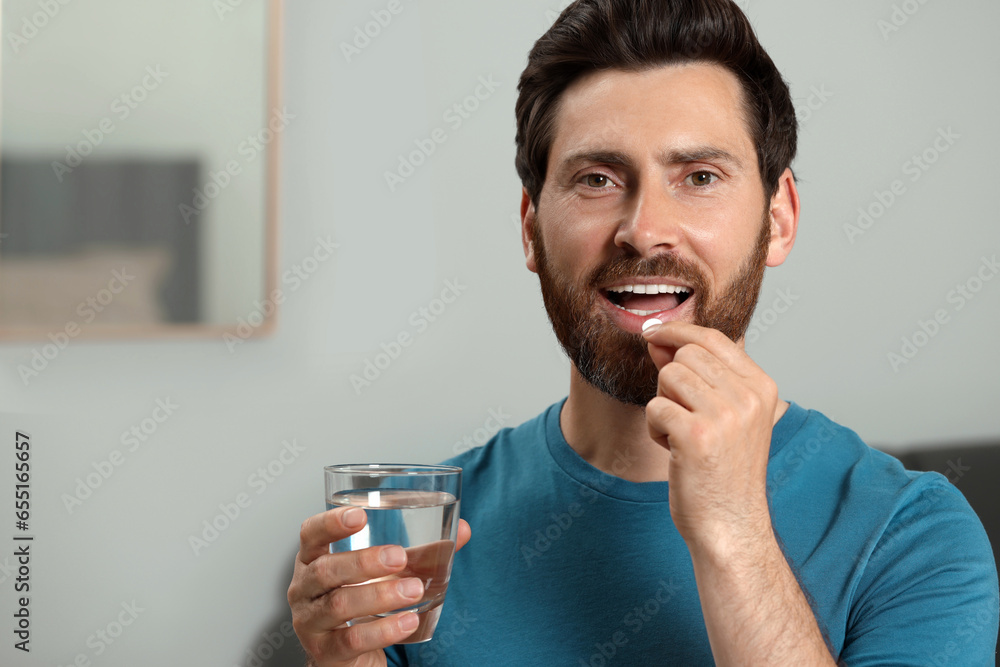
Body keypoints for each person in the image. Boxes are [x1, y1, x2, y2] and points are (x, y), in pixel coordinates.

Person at [288, 0, 1000, 664]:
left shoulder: (917, 537)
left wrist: (732, 530)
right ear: (531, 228)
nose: (645, 229)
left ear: (778, 217)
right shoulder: (426, 542)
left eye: (699, 176)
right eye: (597, 179)